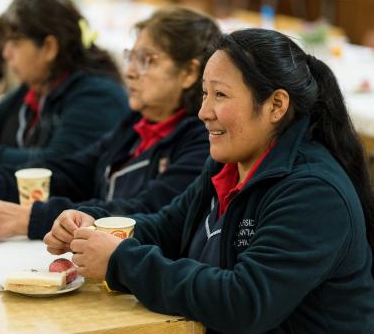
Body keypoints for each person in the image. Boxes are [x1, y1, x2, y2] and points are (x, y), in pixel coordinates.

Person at [45, 28, 374, 333]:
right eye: (204, 93)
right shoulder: (227, 165)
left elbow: (245, 302)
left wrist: (121, 261)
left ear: (276, 105)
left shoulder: (314, 192)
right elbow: (166, 228)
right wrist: (94, 228)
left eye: (220, 95)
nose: (203, 111)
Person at [0, 6, 221, 240]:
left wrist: (30, 218)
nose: (130, 72)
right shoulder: (137, 125)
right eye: (130, 58)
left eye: (145, 60)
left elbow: (144, 211)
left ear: (189, 73)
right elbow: (74, 172)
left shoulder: (204, 141)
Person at [0, 0, 128, 165]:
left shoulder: (98, 97)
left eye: (15, 43)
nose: (6, 53)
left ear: (49, 48)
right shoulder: (36, 85)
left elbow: (56, 163)